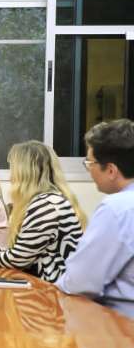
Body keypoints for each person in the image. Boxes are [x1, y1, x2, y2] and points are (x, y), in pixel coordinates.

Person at [0, 141, 86, 283]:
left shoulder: (46, 205)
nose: (10, 178)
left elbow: (18, 259)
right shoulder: (48, 200)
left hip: (54, 290)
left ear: (25, 173)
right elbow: (25, 252)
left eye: (13, 170)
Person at [57, 119, 134, 318]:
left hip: (118, 326)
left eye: (90, 163)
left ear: (111, 170)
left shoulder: (116, 209)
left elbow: (79, 282)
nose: (89, 170)